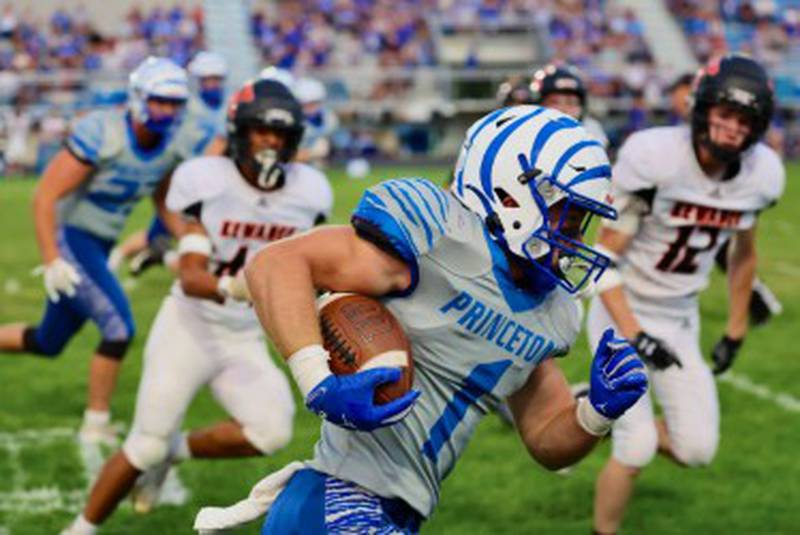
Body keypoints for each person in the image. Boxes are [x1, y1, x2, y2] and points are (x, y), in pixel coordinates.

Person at [193, 105, 649, 533]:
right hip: (337, 500)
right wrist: (317, 380)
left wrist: (596, 412)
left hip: (395, 512)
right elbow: (276, 264)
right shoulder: (438, 234)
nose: (573, 237)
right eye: (567, 218)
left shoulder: (552, 311)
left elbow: (548, 442)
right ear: (512, 192)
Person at [61, 79, 332, 535]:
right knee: (144, 444)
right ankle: (79, 529)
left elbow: (312, 267)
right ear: (239, 132)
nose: (271, 142)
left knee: (270, 431)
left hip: (244, 334)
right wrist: (241, 287)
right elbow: (191, 275)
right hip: (190, 325)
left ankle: (175, 451)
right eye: (262, 131)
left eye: (281, 135)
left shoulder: (310, 191)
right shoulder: (205, 178)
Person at [587, 54, 784, 534]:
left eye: (745, 119)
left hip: (679, 319)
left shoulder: (761, 174)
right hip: (622, 309)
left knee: (697, 448)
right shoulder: (654, 157)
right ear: (701, 107)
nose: (733, 128)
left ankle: (587, 409)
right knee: (633, 448)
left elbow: (742, 255)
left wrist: (736, 329)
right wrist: (635, 336)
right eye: (725, 112)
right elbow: (603, 262)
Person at [0, 57, 193, 443]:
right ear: (139, 98)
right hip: (73, 239)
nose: (167, 110)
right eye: (159, 101)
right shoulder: (103, 132)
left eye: (174, 103)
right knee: (119, 328)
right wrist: (51, 257)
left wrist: (192, 240)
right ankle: (96, 422)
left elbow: (163, 200)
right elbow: (45, 196)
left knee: (47, 342)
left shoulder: (172, 145)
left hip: (99, 243)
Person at [109, 51, 230, 276]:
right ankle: (146, 256)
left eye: (216, 79)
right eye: (207, 79)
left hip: (202, 180)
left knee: (172, 233)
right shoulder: (184, 105)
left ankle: (155, 256)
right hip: (179, 176)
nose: (212, 84)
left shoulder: (223, 108)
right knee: (180, 234)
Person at [530, 63, 610, 149]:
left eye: (571, 102)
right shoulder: (529, 130)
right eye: (555, 102)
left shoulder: (591, 129)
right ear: (541, 104)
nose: (563, 109)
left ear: (581, 107)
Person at [293, 76, 338, 167]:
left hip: (314, 156)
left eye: (313, 103)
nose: (310, 107)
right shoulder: (294, 118)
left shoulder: (327, 116)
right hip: (295, 155)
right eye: (306, 104)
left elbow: (329, 131)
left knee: (321, 145)